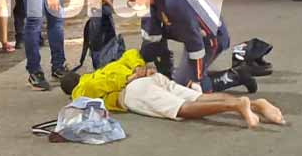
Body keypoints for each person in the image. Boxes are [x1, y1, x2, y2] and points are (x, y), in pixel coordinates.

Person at [60, 51, 284, 129]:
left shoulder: (81, 89)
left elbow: (94, 88)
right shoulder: (107, 66)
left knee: (183, 109)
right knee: (198, 96)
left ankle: (237, 105)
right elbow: (131, 55)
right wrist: (139, 69)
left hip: (134, 92)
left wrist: (130, 77)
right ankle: (256, 104)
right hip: (153, 78)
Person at [119, 0, 257, 94]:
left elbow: (195, 43)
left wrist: (195, 79)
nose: (132, 4)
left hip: (211, 37)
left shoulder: (173, 3)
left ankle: (237, 75)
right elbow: (151, 36)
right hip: (190, 31)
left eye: (132, 0)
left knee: (186, 87)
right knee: (175, 74)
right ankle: (167, 73)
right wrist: (141, 63)